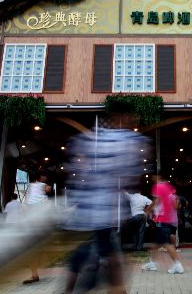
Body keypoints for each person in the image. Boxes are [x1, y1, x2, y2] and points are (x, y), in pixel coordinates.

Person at [63, 117, 147, 294]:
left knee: (85, 255)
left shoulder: (87, 140)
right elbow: (129, 174)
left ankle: (71, 289)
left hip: (84, 215)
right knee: (111, 259)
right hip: (101, 215)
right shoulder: (123, 139)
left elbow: (75, 168)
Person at [142, 175, 184, 274]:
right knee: (156, 244)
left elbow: (156, 201)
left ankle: (178, 266)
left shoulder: (158, 186)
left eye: (153, 177)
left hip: (163, 220)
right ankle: (152, 263)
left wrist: (147, 211)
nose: (152, 179)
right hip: (169, 219)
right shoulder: (169, 187)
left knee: (167, 244)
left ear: (158, 177)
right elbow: (173, 204)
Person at [22, 172, 52, 285]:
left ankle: (35, 274)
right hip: (37, 223)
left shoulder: (32, 188)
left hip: (36, 223)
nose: (46, 178)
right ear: (39, 177)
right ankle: (34, 274)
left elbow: (25, 205)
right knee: (33, 250)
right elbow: (48, 189)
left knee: (33, 250)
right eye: (44, 176)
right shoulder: (38, 186)